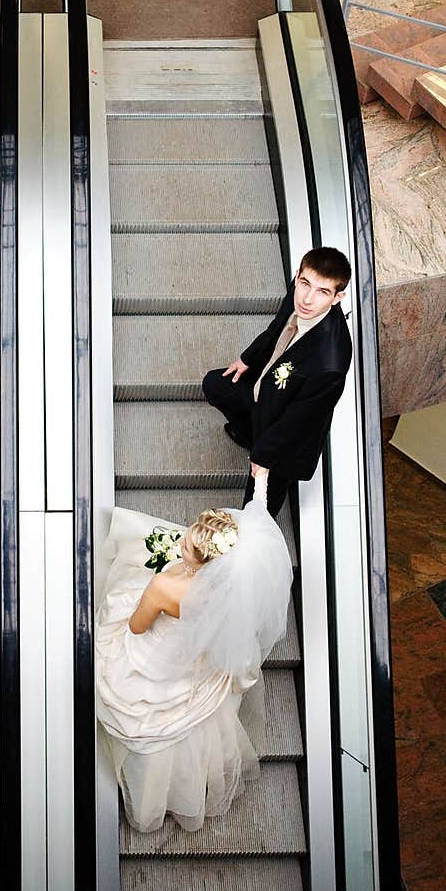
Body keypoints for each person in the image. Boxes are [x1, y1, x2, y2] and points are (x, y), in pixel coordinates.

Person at [95, 469, 293, 834]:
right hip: (197, 660)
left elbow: (137, 627)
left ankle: (146, 802)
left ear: (205, 562)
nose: (181, 544)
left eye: (185, 545)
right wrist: (262, 481)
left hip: (162, 655)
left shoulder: (164, 586)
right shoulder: (234, 586)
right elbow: (257, 518)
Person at [201, 246, 353, 518]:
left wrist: (263, 456)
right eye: (305, 284)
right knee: (216, 384)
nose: (307, 298)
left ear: (338, 297)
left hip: (286, 437)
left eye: (322, 292)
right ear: (298, 276)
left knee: (257, 508)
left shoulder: (330, 362)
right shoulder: (298, 296)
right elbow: (277, 327)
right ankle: (247, 432)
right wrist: (249, 358)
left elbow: (299, 420)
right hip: (266, 394)